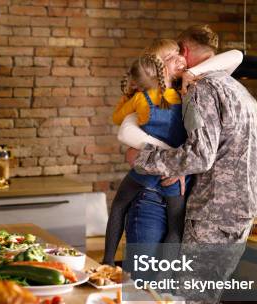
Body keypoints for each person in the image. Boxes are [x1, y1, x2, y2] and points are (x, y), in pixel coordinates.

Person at [124, 25, 257, 304]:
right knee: (210, 298)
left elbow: (201, 155)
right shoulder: (239, 90)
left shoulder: (202, 88)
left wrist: (145, 159)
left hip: (214, 210)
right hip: (244, 209)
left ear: (185, 51)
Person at [102, 38, 243, 265]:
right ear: (159, 65)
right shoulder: (186, 92)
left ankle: (107, 261)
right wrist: (178, 163)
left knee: (119, 206)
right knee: (175, 227)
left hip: (150, 174)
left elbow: (119, 120)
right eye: (173, 56)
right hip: (172, 182)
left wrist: (129, 96)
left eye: (180, 53)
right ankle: (164, 276)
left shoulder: (157, 94)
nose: (181, 59)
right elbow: (125, 132)